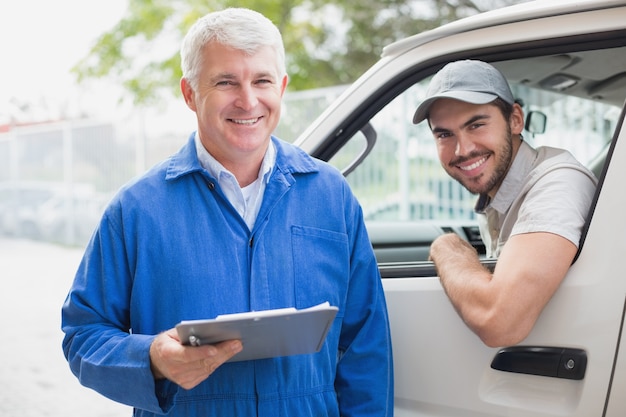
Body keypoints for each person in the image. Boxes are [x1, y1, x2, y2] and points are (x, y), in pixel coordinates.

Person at [61, 8, 393, 417]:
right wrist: (151, 358)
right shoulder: (137, 210)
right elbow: (82, 334)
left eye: (262, 80)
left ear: (283, 87)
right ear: (189, 93)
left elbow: (367, 343)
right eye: (226, 82)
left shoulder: (331, 195)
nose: (249, 100)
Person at [413, 59, 597, 347]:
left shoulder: (557, 184)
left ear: (515, 120)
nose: (462, 150)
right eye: (445, 134)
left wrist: (446, 246)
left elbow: (499, 321)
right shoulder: (498, 195)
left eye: (476, 125)